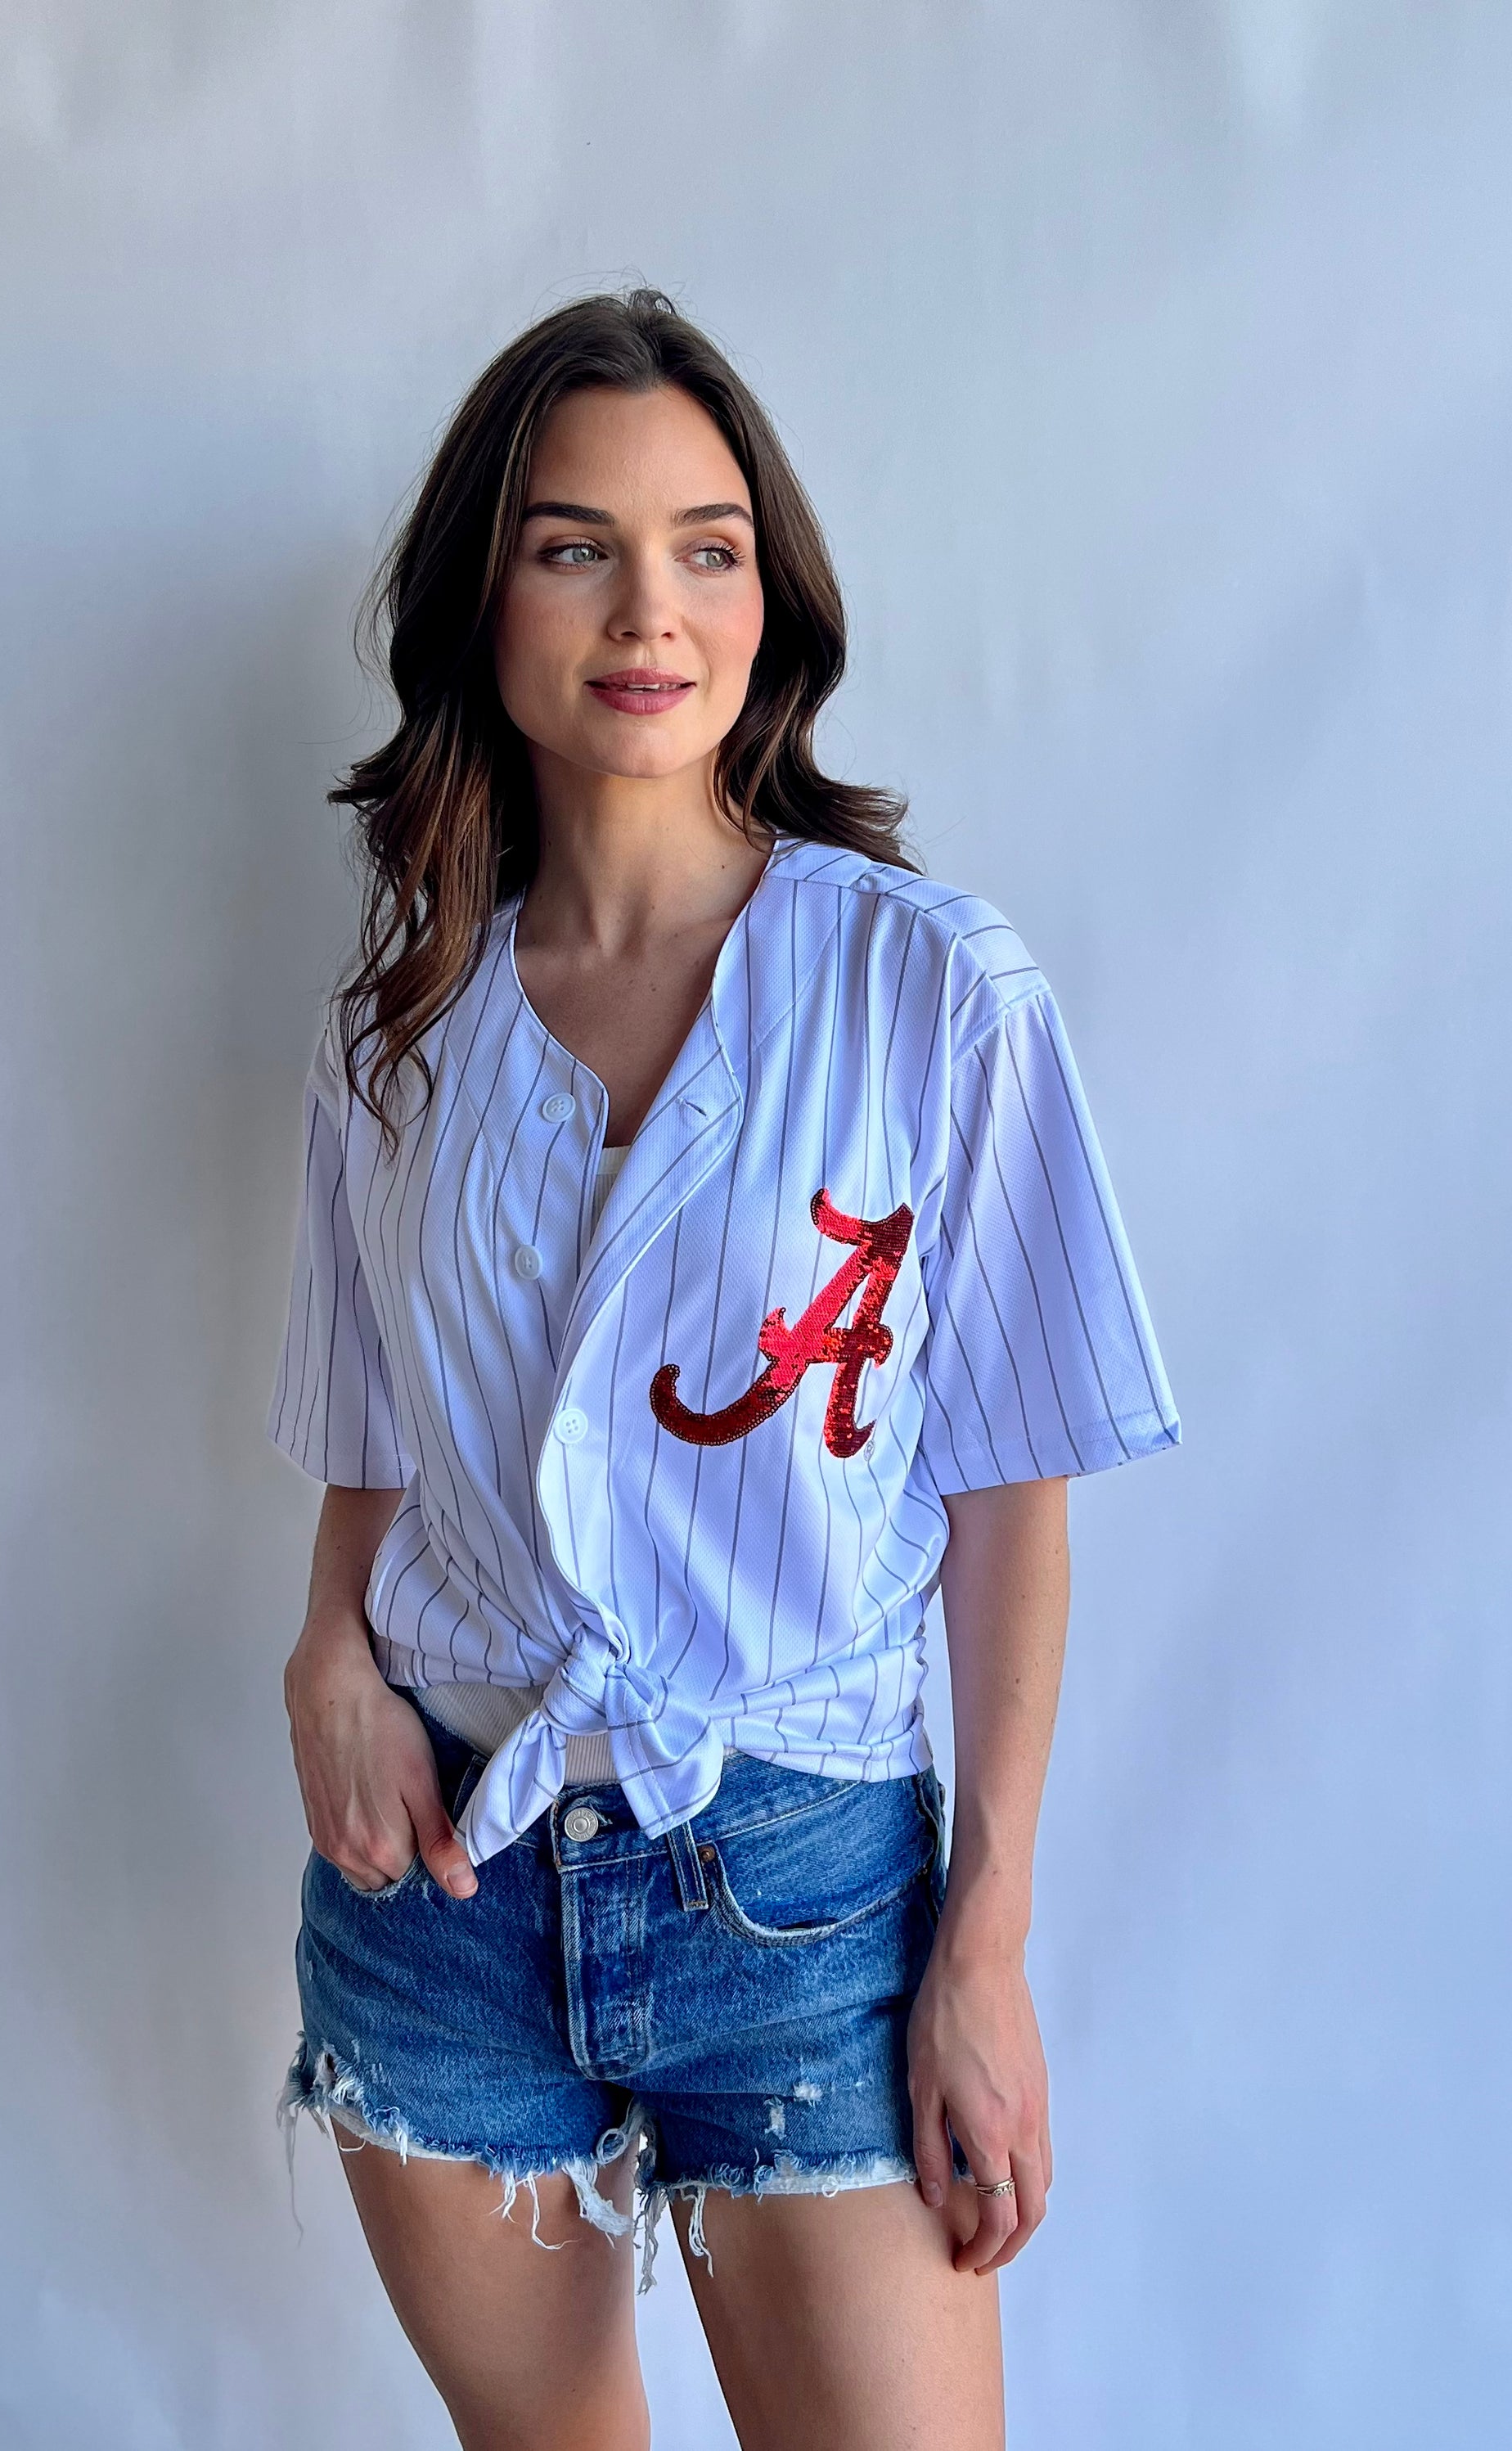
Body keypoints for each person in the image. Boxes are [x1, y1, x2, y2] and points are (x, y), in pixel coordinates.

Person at [268, 287, 1180, 2451]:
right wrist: (322, 1643)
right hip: (446, 1895)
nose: (646, 606)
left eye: (708, 543)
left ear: (774, 591)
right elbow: (373, 1426)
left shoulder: (923, 989)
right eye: (574, 542)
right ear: (483, 597)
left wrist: (983, 1943)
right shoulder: (393, 1039)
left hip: (804, 1882)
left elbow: (1013, 1487)